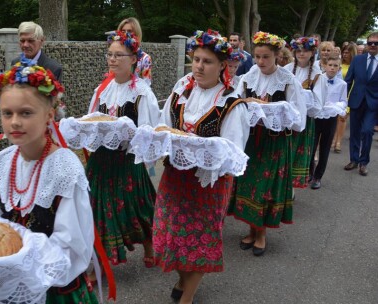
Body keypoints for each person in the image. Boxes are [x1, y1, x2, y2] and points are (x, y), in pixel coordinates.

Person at [0, 59, 98, 303]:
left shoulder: (65, 169)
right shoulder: (1, 162)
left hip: (51, 286)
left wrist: (22, 262)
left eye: (25, 113)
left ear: (49, 114)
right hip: (6, 280)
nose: (14, 121)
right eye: (7, 113)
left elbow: (71, 243)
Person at [154, 29, 250, 304]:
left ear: (222, 65)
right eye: (196, 59)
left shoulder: (231, 102)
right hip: (175, 177)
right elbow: (164, 126)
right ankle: (184, 279)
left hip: (208, 182)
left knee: (197, 239)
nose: (198, 66)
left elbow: (233, 152)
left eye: (206, 61)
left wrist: (199, 148)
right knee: (171, 232)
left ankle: (188, 297)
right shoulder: (181, 91)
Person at [228, 31, 306, 256]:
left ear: (277, 56)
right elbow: (233, 101)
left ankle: (261, 234)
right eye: (257, 56)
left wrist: (274, 111)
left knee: (264, 189)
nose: (260, 62)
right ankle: (252, 230)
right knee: (249, 186)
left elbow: (298, 119)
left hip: (274, 143)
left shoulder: (287, 80)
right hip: (251, 141)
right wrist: (246, 102)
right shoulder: (249, 77)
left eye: (266, 57)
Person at [87, 31, 159, 271]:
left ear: (134, 60)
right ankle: (102, 260)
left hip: (128, 159)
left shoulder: (142, 93)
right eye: (110, 55)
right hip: (101, 159)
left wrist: (129, 135)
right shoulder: (102, 90)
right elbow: (92, 120)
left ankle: (149, 244)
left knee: (137, 206)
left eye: (119, 55)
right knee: (99, 206)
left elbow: (149, 132)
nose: (112, 60)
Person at [284, 36, 326, 189]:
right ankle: (282, 184)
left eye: (305, 51)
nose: (301, 54)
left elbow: (317, 105)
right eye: (298, 51)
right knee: (284, 153)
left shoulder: (317, 74)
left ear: (312, 53)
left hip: (304, 120)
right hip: (286, 119)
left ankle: (292, 187)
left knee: (297, 154)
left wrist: (303, 102)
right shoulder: (287, 69)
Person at [309, 57, 347, 189]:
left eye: (335, 65)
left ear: (339, 68)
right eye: (330, 65)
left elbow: (343, 101)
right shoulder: (317, 79)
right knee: (311, 147)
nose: (332, 68)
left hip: (330, 118)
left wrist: (335, 106)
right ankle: (309, 172)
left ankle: (318, 176)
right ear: (324, 66)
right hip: (316, 117)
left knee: (325, 148)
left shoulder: (342, 84)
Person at [343, 32, 378, 176]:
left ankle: (364, 162)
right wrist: (342, 101)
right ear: (367, 44)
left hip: (374, 103)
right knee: (355, 132)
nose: (373, 46)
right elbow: (348, 80)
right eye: (370, 43)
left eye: (376, 43)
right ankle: (354, 160)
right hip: (356, 100)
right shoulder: (357, 60)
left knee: (367, 131)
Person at [332, 43, 357, 153]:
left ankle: (338, 142)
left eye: (348, 52)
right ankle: (332, 139)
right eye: (344, 52)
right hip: (336, 93)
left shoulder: (355, 65)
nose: (345, 54)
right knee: (334, 117)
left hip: (348, 93)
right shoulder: (338, 64)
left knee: (342, 118)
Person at [118, 17, 153, 86]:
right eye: (123, 31)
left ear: (137, 33)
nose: (126, 34)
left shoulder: (145, 58)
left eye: (129, 31)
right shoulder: (115, 55)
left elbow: (146, 84)